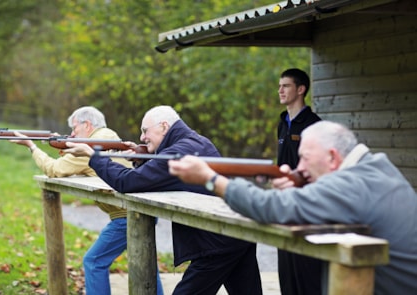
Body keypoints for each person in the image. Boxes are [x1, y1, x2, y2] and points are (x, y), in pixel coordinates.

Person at [168, 120, 417, 295]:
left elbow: (272, 207)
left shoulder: (350, 184)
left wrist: (211, 179)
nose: (301, 167)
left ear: (332, 157)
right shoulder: (375, 166)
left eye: (306, 158)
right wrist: (298, 185)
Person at [63, 105, 263, 295]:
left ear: (164, 127)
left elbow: (128, 182)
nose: (142, 137)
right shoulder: (193, 143)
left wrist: (93, 156)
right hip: (233, 234)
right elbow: (160, 174)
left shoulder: (179, 151)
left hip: (217, 244)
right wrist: (143, 158)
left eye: (145, 131)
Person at [9, 106, 164, 295]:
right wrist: (63, 144)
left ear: (87, 125)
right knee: (145, 264)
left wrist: (31, 146)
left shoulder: (90, 146)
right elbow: (76, 164)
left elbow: (54, 169)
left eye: (75, 128)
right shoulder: (109, 136)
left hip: (127, 216)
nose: (72, 133)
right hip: (140, 211)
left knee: (94, 262)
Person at [276, 68, 322, 295]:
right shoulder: (282, 123)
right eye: (279, 86)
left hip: (306, 207)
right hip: (283, 204)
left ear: (301, 89)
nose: (280, 90)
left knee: (306, 268)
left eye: (286, 86)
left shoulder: (314, 124)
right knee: (285, 267)